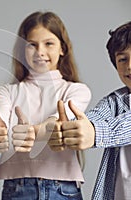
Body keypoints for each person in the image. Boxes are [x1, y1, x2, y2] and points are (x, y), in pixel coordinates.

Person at [0, 11, 91, 199]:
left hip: (63, 190)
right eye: (32, 45)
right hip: (18, 189)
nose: (40, 52)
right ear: (22, 51)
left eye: (48, 43)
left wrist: (35, 131)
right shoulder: (7, 92)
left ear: (63, 49)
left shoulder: (77, 91)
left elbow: (58, 120)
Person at [50, 21, 131, 200]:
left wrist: (94, 133)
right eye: (123, 59)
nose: (130, 66)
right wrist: (68, 130)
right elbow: (92, 119)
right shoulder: (115, 101)